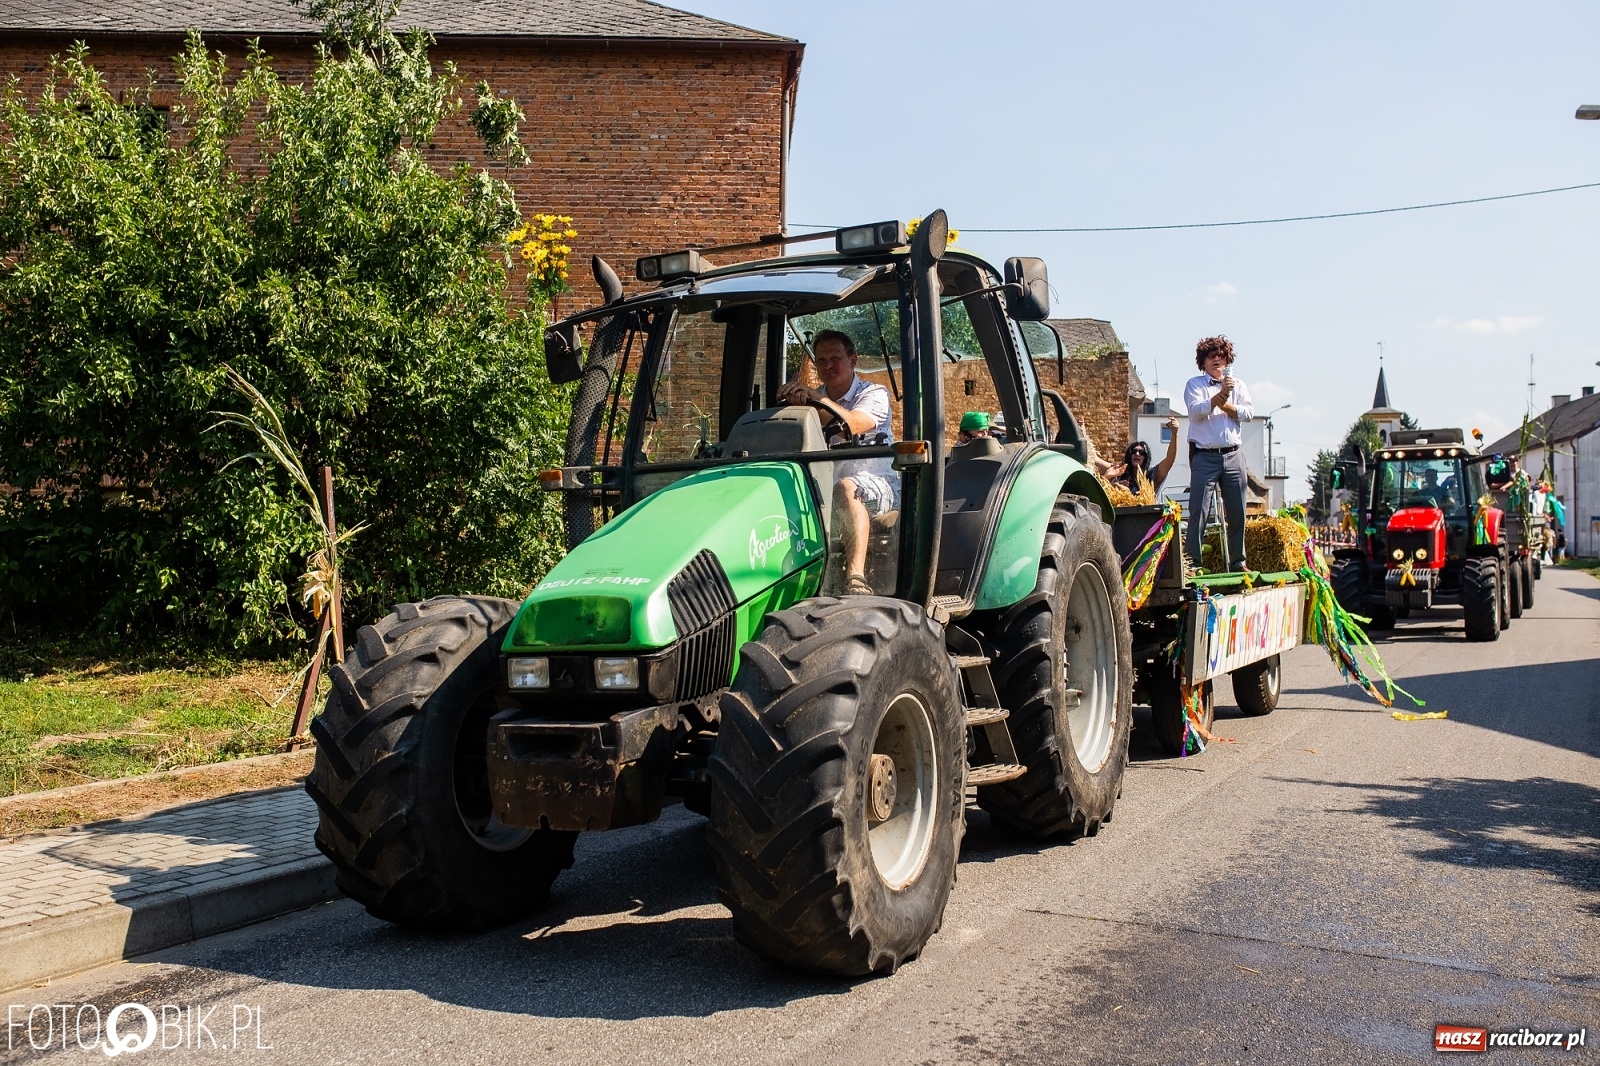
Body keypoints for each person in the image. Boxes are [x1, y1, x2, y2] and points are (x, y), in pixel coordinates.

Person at [777, 330, 895, 595]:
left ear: (853, 360)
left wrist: (815, 400)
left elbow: (853, 424)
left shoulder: (874, 393)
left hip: (876, 485)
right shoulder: (811, 398)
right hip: (822, 486)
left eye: (835, 358)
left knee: (846, 488)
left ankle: (855, 578)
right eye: (821, 360)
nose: (828, 365)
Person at [1183, 335, 1253, 570]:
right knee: (1199, 510)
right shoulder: (1195, 385)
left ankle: (1238, 561)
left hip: (1234, 455)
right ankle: (1193, 562)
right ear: (1203, 362)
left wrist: (1225, 403)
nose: (1217, 360)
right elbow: (1196, 411)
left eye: (1221, 357)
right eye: (1211, 356)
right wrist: (1220, 396)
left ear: (1227, 361)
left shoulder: (1238, 385)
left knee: (1238, 511)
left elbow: (1248, 413)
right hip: (1205, 456)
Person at [1096, 416, 1181, 494]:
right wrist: (1113, 486)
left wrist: (1174, 434)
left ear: (1146, 457)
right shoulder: (1119, 471)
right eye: (1134, 451)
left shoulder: (1152, 474)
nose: (1137, 454)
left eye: (1141, 452)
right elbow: (1094, 459)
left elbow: (1170, 459)